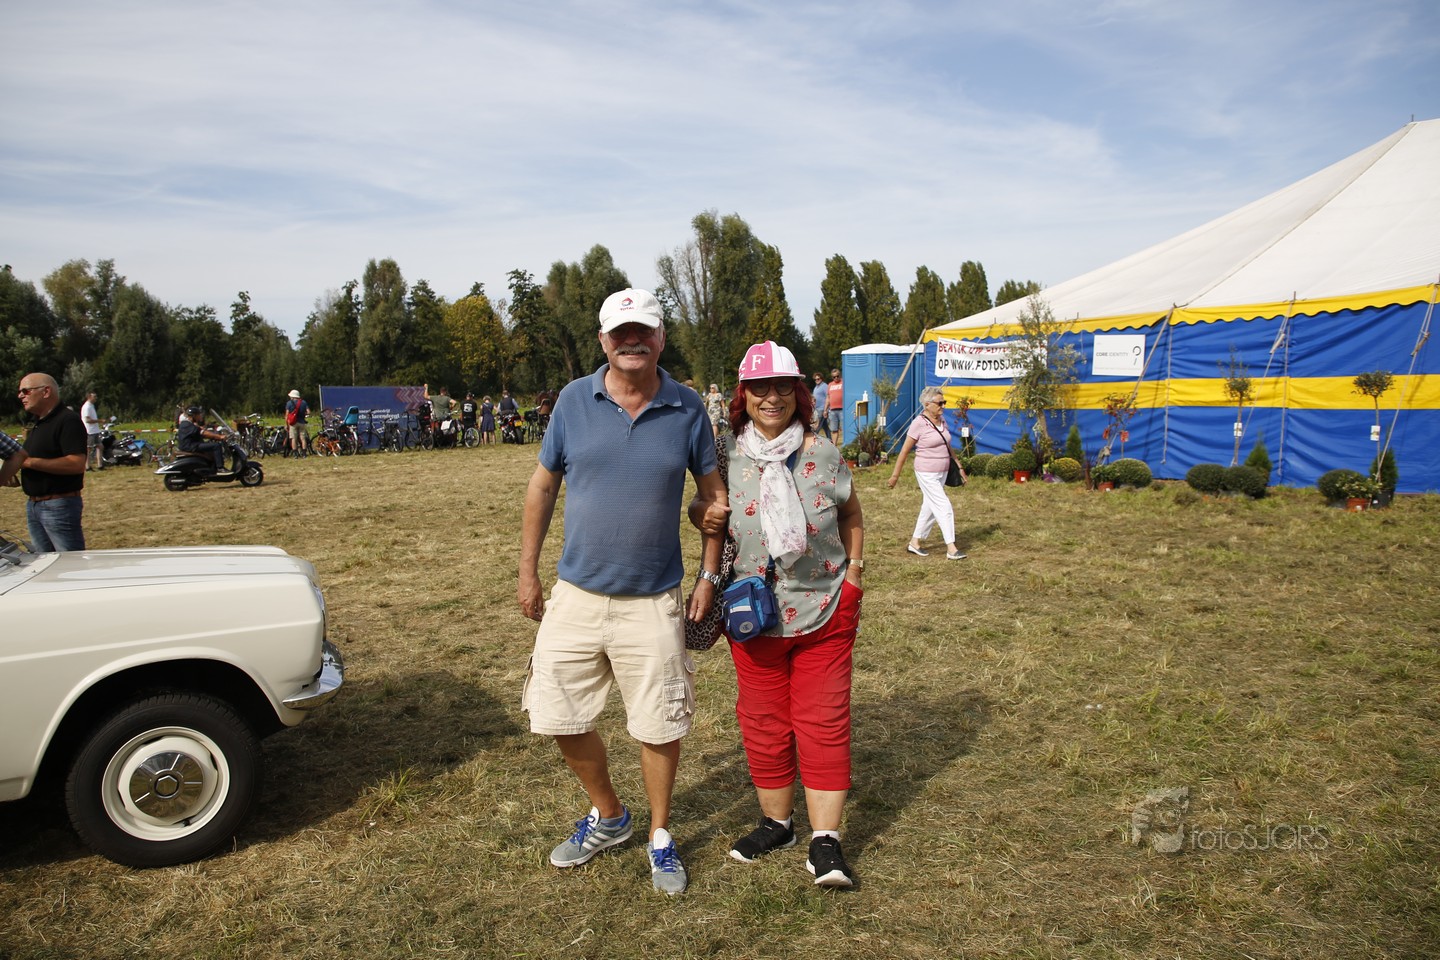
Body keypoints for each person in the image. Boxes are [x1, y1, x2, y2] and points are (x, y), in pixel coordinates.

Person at [518, 288, 727, 896]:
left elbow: (713, 498)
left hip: (654, 599)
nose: (631, 341)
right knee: (555, 712)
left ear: (660, 338)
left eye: (643, 331)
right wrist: (528, 571)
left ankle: (660, 835)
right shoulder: (572, 401)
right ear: (603, 341)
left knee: (660, 724)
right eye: (620, 332)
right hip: (576, 594)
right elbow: (542, 488)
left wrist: (708, 576)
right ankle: (610, 815)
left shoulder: (687, 407)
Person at [698, 340, 865, 888]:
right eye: (760, 388)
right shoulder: (724, 453)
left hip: (824, 609)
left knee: (823, 720)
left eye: (783, 387)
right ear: (743, 395)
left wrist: (855, 575)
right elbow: (703, 507)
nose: (772, 398)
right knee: (764, 721)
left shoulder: (824, 452)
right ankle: (777, 824)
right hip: (753, 615)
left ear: (799, 392)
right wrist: (702, 514)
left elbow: (851, 512)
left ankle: (825, 841)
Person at [886, 386, 967, 560]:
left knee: (929, 507)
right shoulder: (918, 423)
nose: (943, 406)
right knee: (944, 506)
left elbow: (948, 446)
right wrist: (895, 476)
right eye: (940, 403)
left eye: (944, 402)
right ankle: (951, 548)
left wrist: (959, 467)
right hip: (926, 472)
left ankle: (914, 543)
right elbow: (904, 451)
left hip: (943, 471)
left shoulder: (942, 420)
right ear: (927, 404)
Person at [15, 373, 87, 552]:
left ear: (46, 392)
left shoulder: (67, 420)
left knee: (69, 562)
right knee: (44, 563)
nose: (20, 396)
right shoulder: (39, 423)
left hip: (58, 505)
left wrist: (28, 463)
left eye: (26, 391)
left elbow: (76, 464)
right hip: (34, 506)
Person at [176, 405, 227, 473]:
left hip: (191, 445)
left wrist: (213, 436)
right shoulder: (187, 424)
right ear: (194, 415)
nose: (200, 416)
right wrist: (219, 437)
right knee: (216, 446)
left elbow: (199, 432)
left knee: (210, 443)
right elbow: (203, 433)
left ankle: (212, 467)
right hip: (190, 446)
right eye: (198, 414)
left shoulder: (188, 423)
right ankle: (220, 468)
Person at [80, 391, 104, 471]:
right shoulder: (87, 407)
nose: (96, 398)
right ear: (89, 397)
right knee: (88, 449)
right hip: (89, 431)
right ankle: (87, 466)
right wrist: (99, 421)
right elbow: (88, 420)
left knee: (100, 446)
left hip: (95, 430)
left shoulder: (92, 406)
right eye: (94, 397)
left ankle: (100, 465)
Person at [285, 389, 310, 457]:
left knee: (293, 438)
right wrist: (303, 414)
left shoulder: (289, 403)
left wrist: (287, 424)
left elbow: (286, 415)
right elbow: (308, 412)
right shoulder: (303, 402)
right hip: (302, 422)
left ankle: (295, 454)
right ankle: (304, 453)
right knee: (303, 438)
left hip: (293, 423)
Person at [826, 368, 844, 444]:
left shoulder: (844, 383)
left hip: (843, 409)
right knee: (834, 430)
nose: (836, 378)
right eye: (834, 377)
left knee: (844, 429)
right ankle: (834, 446)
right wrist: (825, 410)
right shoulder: (830, 385)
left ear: (840, 375)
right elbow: (828, 398)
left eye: (837, 376)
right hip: (832, 410)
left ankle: (846, 445)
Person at [811, 373, 830, 439]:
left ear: (821, 379)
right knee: (825, 427)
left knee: (817, 426)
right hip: (817, 409)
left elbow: (828, 397)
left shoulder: (824, 386)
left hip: (822, 408)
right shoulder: (816, 387)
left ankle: (814, 439)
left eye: (818, 379)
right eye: (815, 379)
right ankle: (830, 440)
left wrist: (826, 410)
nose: (817, 380)